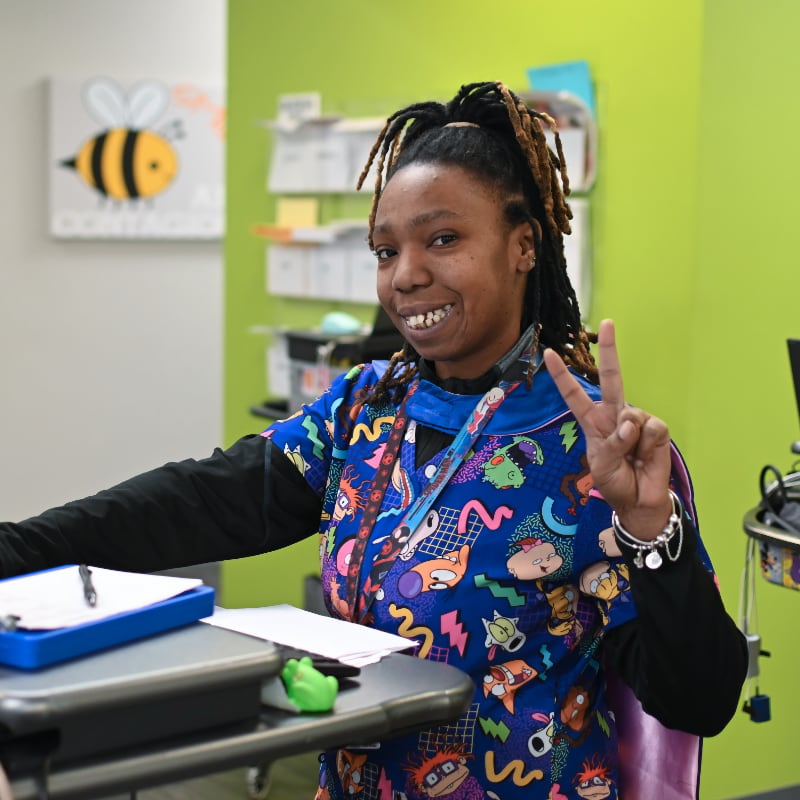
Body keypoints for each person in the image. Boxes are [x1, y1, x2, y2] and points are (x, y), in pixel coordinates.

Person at [0, 81, 746, 799]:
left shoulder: (589, 451)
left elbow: (700, 700)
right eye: (386, 252)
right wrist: (19, 550)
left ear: (523, 246)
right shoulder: (368, 408)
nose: (406, 276)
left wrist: (651, 528)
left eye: (443, 239)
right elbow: (199, 500)